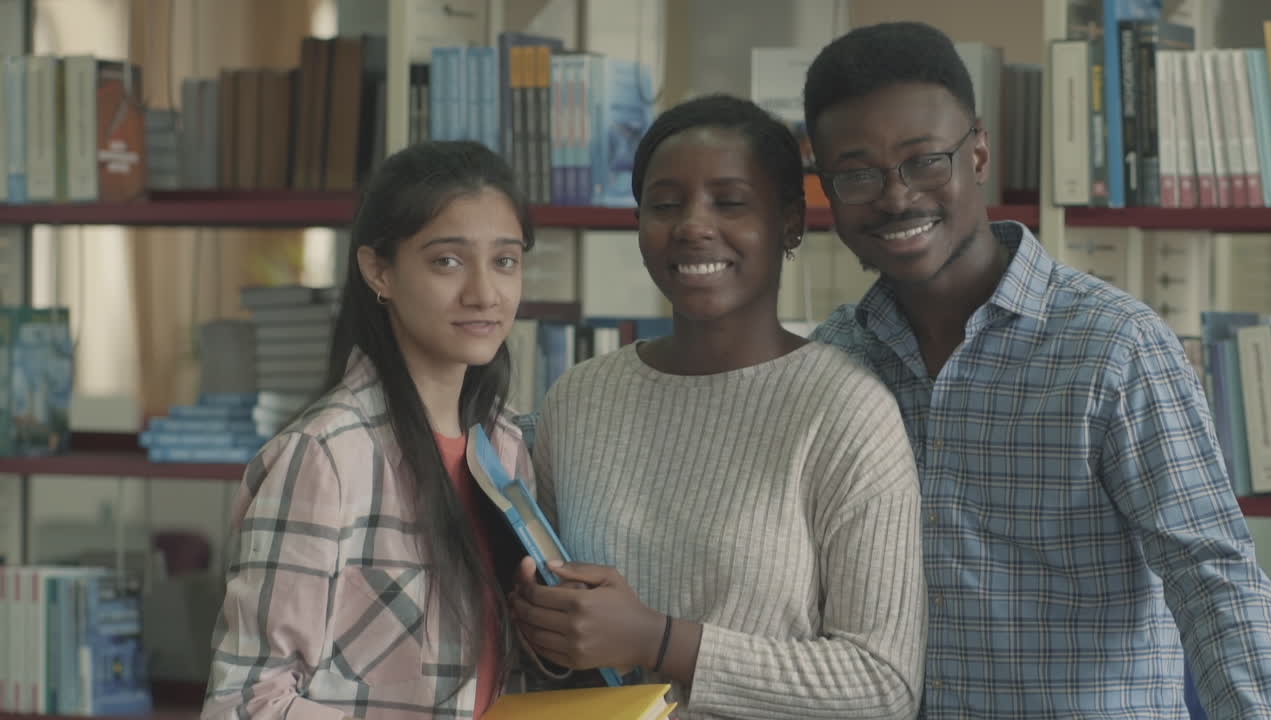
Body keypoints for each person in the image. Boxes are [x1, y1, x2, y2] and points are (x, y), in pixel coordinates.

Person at [803, 20, 1271, 718]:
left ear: (980, 152)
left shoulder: (1114, 345)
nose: (897, 196)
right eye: (858, 174)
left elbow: (1212, 575)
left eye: (924, 159)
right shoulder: (835, 357)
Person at [510, 94, 926, 720]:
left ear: (790, 222)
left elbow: (883, 684)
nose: (693, 226)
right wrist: (548, 635)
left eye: (730, 202)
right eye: (665, 204)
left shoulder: (845, 412)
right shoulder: (579, 398)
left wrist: (661, 639)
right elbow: (551, 637)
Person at [202, 141, 544, 720]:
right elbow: (244, 703)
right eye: (448, 261)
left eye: (505, 261)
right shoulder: (325, 455)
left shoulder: (506, 446)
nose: (485, 293)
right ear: (379, 270)